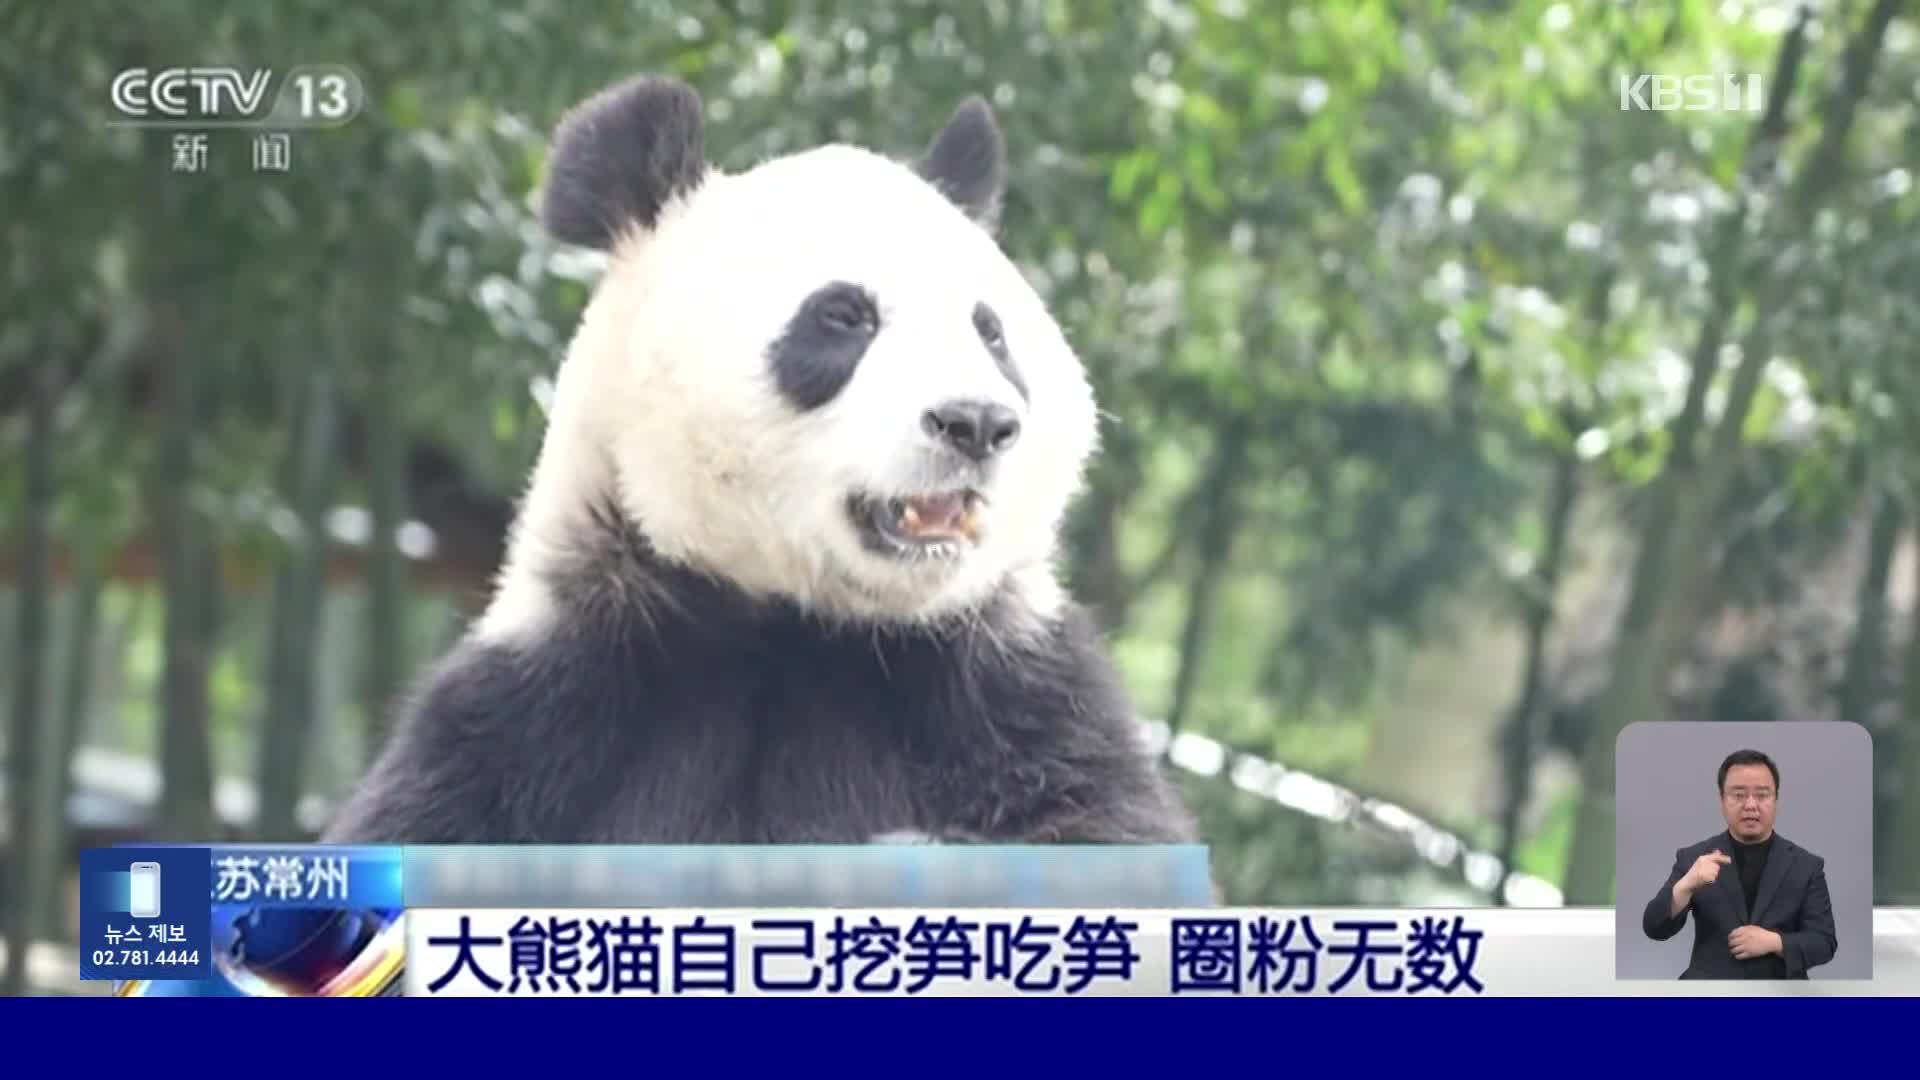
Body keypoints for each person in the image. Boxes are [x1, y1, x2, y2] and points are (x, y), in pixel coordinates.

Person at [1641, 749, 1837, 979]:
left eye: (1762, 795)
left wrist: (1775, 942)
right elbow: (1654, 927)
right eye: (1738, 794)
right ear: (1722, 800)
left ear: (1776, 800)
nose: (1750, 805)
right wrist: (1685, 886)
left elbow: (1824, 943)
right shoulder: (1695, 858)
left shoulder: (1806, 866)